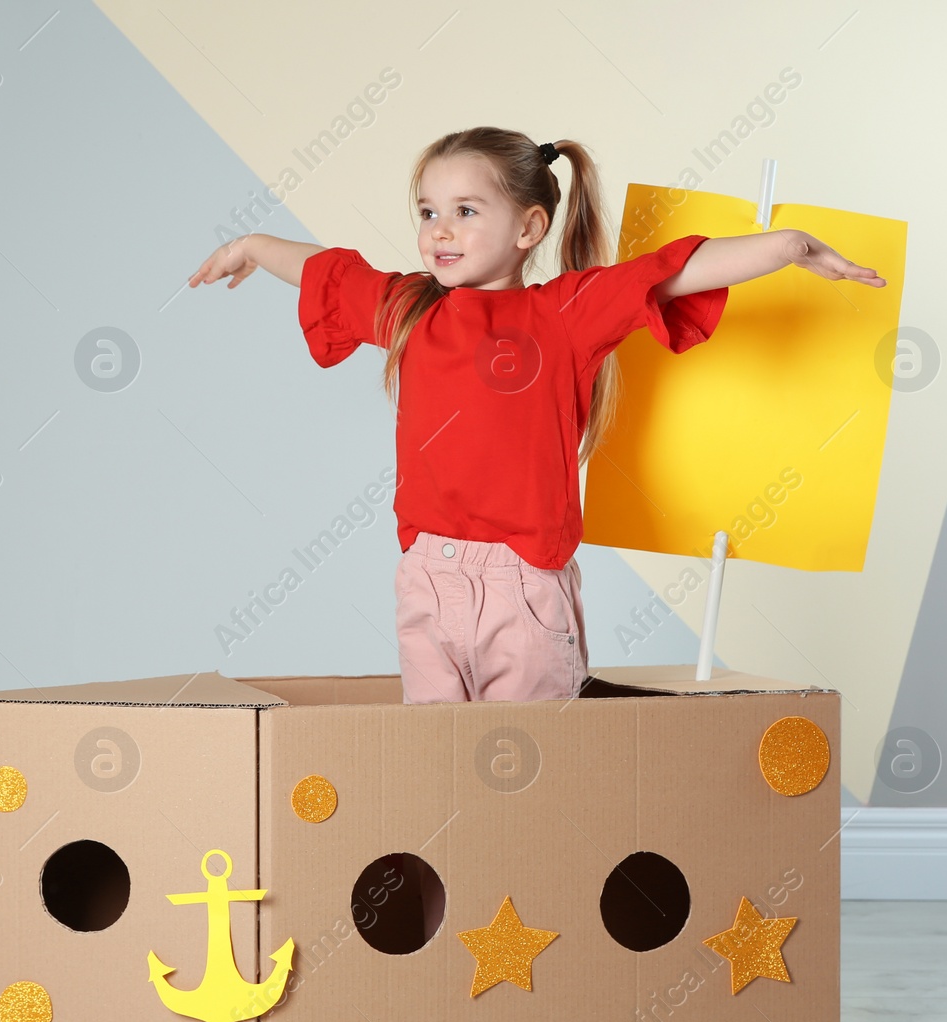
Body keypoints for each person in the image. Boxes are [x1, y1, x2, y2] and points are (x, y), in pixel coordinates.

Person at [188, 127, 884, 705]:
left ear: (530, 226)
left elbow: (673, 271)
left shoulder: (563, 315)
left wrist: (787, 248)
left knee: (524, 771)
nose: (440, 231)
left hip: (522, 583)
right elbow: (328, 272)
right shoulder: (410, 308)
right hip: (427, 576)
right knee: (434, 766)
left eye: (466, 210)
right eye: (428, 211)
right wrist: (251, 245)